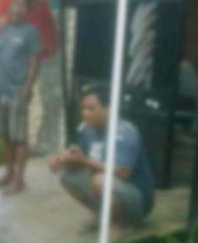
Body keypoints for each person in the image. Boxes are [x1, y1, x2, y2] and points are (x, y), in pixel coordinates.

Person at [49, 83, 155, 229]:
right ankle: (102, 215)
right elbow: (81, 160)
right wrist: (62, 159)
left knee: (100, 180)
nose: (85, 114)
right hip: (109, 185)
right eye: (83, 109)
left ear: (109, 109)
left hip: (138, 199)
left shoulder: (125, 131)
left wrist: (83, 160)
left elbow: (122, 173)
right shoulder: (87, 130)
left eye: (91, 109)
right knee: (67, 175)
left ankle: (119, 224)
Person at [0, 0, 42, 196]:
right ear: (9, 7)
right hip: (1, 89)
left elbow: (34, 62)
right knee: (5, 135)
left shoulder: (31, 32)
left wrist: (28, 88)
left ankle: (19, 179)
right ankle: (8, 173)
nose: (17, 9)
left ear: (27, 10)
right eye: (14, 4)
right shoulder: (3, 30)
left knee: (19, 137)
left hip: (18, 90)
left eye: (22, 5)